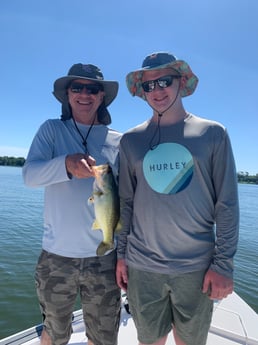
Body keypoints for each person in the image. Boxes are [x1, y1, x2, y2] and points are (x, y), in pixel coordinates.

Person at [116, 52, 239, 345]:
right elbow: (126, 203)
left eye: (164, 81)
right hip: (142, 266)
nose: (157, 91)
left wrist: (223, 265)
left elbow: (227, 204)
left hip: (195, 268)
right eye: (149, 85)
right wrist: (121, 255)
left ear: (182, 82)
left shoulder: (213, 133)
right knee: (150, 341)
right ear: (141, 91)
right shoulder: (130, 141)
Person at [23, 63, 122, 345]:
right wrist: (65, 164)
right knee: (53, 333)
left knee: (103, 337)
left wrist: (124, 254)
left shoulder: (119, 141)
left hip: (105, 259)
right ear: (67, 94)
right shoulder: (51, 131)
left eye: (93, 89)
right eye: (77, 87)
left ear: (102, 96)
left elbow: (125, 201)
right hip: (56, 257)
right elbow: (29, 175)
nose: (84, 94)